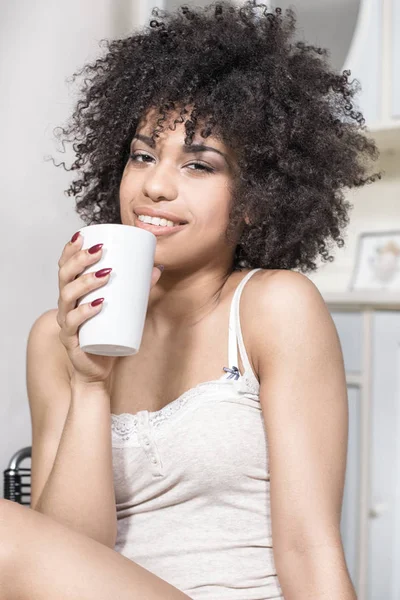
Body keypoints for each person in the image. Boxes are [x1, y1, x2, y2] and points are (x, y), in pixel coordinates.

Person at [1, 1, 379, 598]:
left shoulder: (273, 309)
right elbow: (63, 559)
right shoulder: (58, 337)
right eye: (143, 155)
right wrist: (89, 383)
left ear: (254, 198)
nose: (155, 184)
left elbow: (311, 547)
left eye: (199, 165)